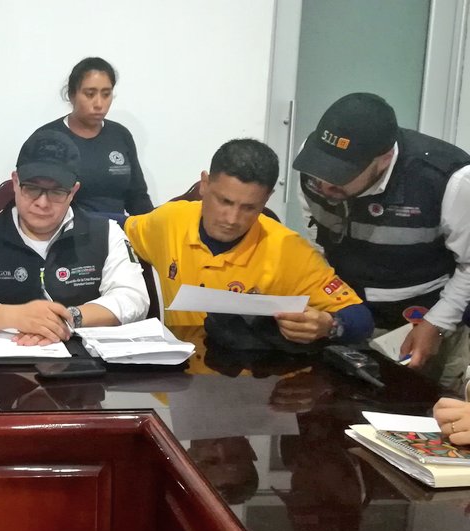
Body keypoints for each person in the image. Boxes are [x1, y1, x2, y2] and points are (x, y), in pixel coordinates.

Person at [293, 92, 470, 389]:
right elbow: (318, 234)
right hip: (349, 317)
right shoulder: (314, 165)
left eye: (341, 173)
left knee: (423, 405)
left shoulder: (449, 180)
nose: (324, 183)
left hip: (426, 320)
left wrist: (437, 324)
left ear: (384, 159)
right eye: (323, 168)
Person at [125, 138, 373, 344]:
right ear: (204, 185)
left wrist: (330, 325)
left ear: (267, 199)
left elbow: (361, 319)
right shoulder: (170, 220)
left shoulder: (288, 249)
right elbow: (117, 226)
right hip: (180, 374)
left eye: (249, 207)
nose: (232, 219)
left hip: (254, 378)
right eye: (224, 201)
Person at [0, 129, 150, 345]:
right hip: (1, 361)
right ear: (15, 182)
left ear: (73, 191)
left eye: (57, 192)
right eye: (32, 188)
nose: (42, 203)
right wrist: (16, 317)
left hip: (84, 360)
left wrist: (68, 318)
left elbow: (134, 298)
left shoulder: (107, 233)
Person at [33, 57, 152, 222]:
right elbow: (38, 201)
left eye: (106, 94)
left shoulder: (120, 135)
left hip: (118, 231)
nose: (99, 104)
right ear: (72, 95)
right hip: (70, 231)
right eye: (90, 94)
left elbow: (137, 197)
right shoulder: (48, 138)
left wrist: (152, 227)